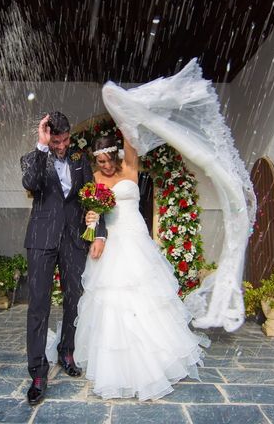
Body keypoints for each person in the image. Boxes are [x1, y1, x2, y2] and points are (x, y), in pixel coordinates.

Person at [74, 133, 210, 401]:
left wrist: (120, 102)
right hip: (111, 240)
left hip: (136, 238)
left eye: (107, 160)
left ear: (115, 155)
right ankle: (115, 367)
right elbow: (92, 210)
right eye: (99, 162)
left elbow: (129, 131)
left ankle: (157, 360)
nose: (104, 166)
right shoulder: (94, 178)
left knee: (145, 295)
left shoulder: (130, 166)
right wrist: (91, 218)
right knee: (112, 299)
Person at [20, 111, 106, 405]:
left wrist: (99, 233)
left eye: (66, 140)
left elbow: (92, 197)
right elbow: (31, 183)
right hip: (41, 241)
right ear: (47, 136)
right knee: (39, 305)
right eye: (56, 141)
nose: (62, 146)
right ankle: (38, 372)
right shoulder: (33, 158)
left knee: (74, 297)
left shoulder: (79, 160)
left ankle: (66, 350)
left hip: (73, 240)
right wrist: (42, 145)